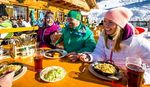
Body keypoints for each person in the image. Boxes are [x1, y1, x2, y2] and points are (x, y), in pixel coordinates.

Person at [78, 7, 150, 83]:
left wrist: (142, 78)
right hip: (105, 78)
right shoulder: (104, 36)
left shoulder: (138, 42)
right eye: (104, 21)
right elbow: (100, 53)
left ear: (120, 25)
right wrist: (90, 57)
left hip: (127, 82)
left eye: (110, 22)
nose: (106, 25)